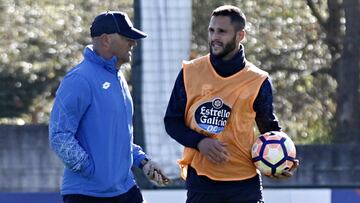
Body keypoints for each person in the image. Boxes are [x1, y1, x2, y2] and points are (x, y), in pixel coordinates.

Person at [164, 5, 298, 203]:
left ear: (240, 35)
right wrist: (200, 142)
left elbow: (269, 129)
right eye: (211, 30)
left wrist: (283, 160)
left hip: (244, 184)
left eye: (222, 31)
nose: (214, 37)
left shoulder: (258, 80)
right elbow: (172, 122)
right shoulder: (190, 72)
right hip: (202, 181)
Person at [49, 11, 169, 203]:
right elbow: (59, 134)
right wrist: (92, 171)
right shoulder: (79, 79)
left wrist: (142, 161)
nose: (133, 42)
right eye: (126, 37)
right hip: (87, 195)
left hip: (126, 189)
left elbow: (118, 136)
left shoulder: (118, 77)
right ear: (105, 40)